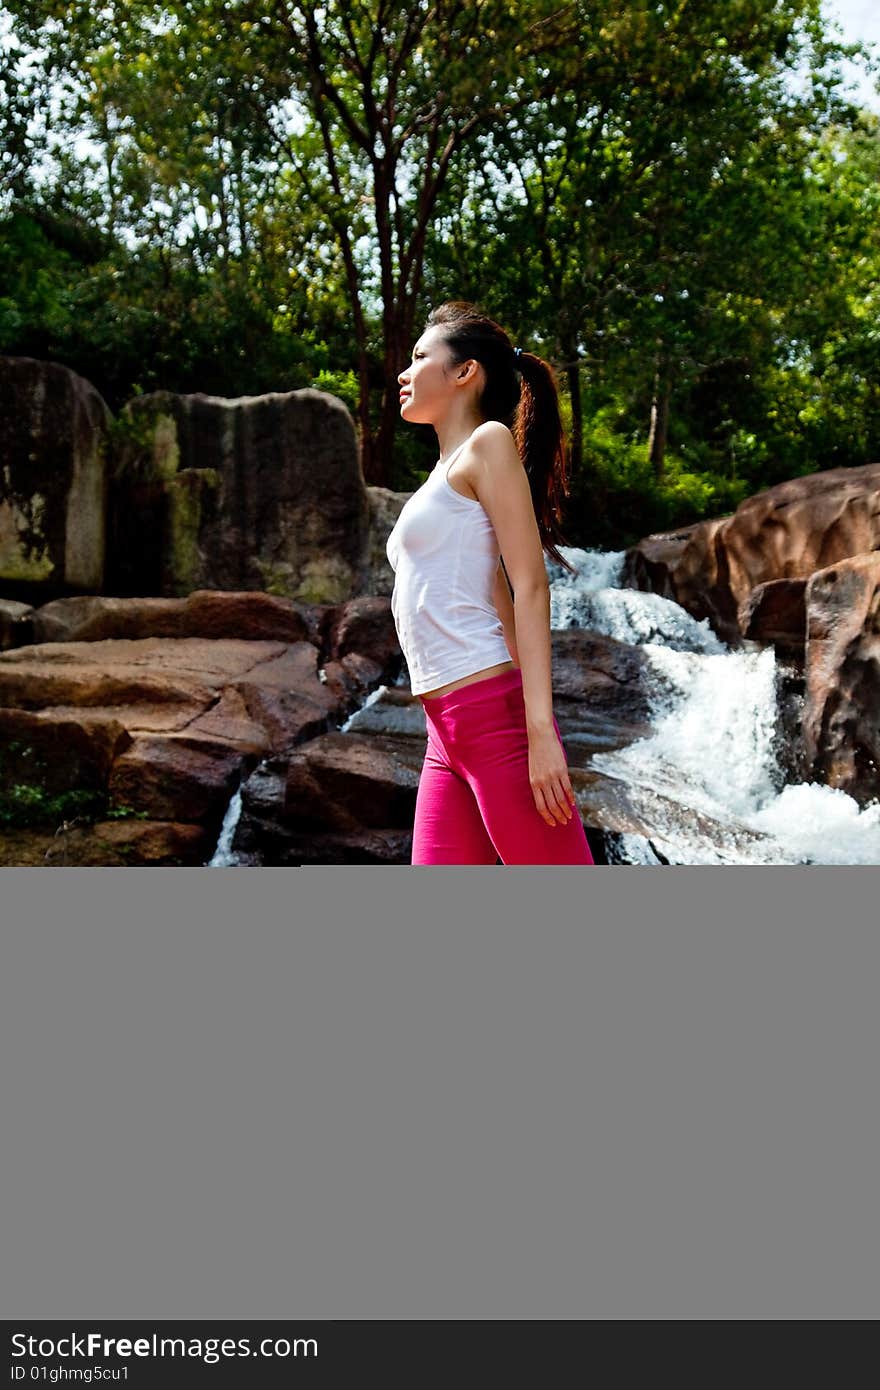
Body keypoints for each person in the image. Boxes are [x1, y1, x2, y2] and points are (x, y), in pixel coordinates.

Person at [386, 301, 594, 866]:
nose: (403, 373)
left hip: (493, 718)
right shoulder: (441, 473)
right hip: (444, 731)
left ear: (463, 371)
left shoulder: (488, 442)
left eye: (419, 357)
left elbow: (531, 586)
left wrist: (540, 730)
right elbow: (496, 596)